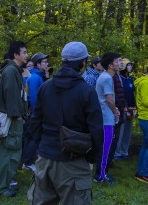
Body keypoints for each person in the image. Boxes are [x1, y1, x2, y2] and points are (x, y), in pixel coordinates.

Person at [27, 41, 103, 205]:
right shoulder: (87, 91)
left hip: (45, 160)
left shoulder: (46, 87)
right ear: (83, 63)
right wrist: (90, 157)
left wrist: (43, 146)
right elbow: (97, 130)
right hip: (73, 162)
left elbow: (34, 122)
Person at [0, 41, 27, 198]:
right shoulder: (11, 71)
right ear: (16, 55)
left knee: (12, 154)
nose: (27, 55)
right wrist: (17, 116)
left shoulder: (14, 70)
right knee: (7, 154)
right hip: (11, 120)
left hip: (14, 118)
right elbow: (11, 95)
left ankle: (4, 184)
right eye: (24, 52)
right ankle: (0, 188)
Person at [93, 52, 121, 184]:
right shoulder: (107, 78)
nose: (120, 63)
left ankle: (101, 174)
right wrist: (115, 111)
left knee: (105, 147)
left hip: (106, 117)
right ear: (110, 65)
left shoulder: (105, 77)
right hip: (106, 119)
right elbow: (109, 100)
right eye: (117, 61)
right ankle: (100, 176)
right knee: (105, 148)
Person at [22, 52, 49, 172]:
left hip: (35, 113)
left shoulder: (38, 75)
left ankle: (27, 160)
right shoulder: (35, 77)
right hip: (35, 114)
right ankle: (27, 162)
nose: (47, 64)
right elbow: (33, 97)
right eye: (44, 62)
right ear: (38, 64)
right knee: (33, 137)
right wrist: (37, 113)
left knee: (31, 137)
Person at [114, 58, 135, 160]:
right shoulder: (119, 78)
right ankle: (117, 153)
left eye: (131, 65)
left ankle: (124, 151)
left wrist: (134, 106)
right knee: (120, 131)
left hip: (131, 108)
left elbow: (133, 94)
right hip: (123, 108)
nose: (130, 67)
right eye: (129, 65)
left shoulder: (130, 79)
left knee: (128, 131)